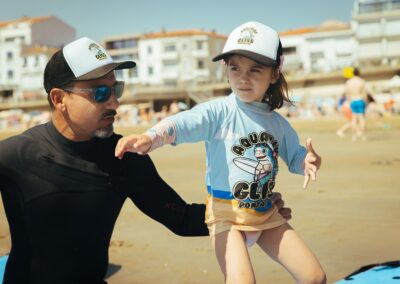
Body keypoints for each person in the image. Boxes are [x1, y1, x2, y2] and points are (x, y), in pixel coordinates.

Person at [0, 36, 291, 284]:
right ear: (59, 98)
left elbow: (180, 217)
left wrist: (246, 210)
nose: (114, 101)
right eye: (100, 92)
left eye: (116, 89)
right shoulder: (14, 156)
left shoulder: (123, 158)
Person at [115, 22, 326, 284]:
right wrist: (151, 137)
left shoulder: (278, 123)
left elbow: (294, 156)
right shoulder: (219, 112)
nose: (243, 77)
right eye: (235, 68)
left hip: (266, 211)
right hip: (226, 216)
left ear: (274, 74)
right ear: (226, 70)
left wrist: (307, 161)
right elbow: (184, 123)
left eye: (255, 69)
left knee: (315, 277)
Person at [345, 67, 368, 142]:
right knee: (361, 118)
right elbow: (364, 93)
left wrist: (349, 101)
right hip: (360, 100)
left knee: (354, 119)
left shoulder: (349, 82)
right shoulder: (361, 81)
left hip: (353, 100)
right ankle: (363, 136)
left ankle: (354, 136)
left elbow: (347, 94)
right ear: (359, 73)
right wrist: (366, 102)